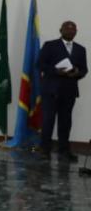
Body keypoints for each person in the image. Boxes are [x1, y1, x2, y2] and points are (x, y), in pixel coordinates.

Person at [39, 21, 87, 162]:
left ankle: (64, 151)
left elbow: (84, 69)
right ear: (61, 30)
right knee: (48, 121)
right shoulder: (50, 45)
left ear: (76, 32)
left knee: (65, 122)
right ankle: (44, 151)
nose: (71, 31)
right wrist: (55, 71)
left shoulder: (80, 49)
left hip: (69, 91)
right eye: (68, 28)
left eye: (74, 29)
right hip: (51, 91)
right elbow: (40, 64)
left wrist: (77, 72)